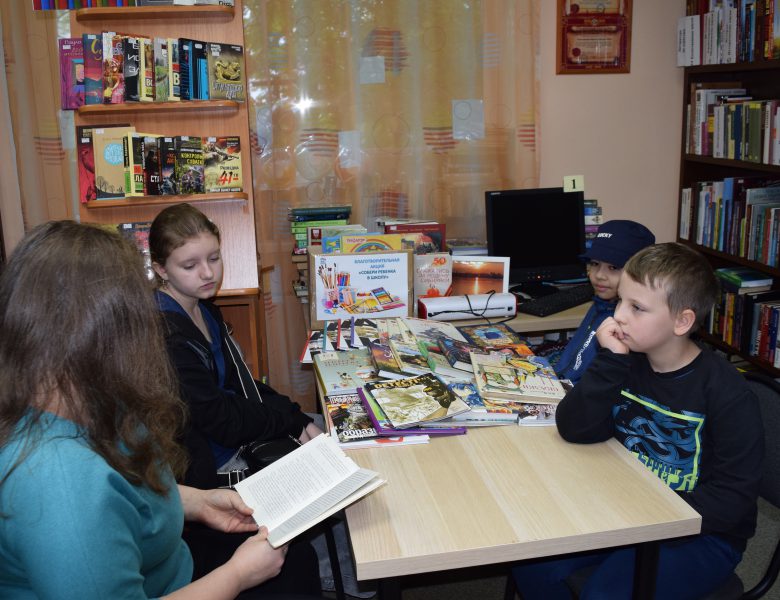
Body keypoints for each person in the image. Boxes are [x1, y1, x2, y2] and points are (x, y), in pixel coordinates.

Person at [0, 220, 321, 599]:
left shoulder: (90, 400)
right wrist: (237, 575)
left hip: (169, 564)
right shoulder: (60, 480)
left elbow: (125, 492)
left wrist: (196, 502)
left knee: (296, 560)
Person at [512, 242, 764, 599]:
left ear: (682, 321)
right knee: (532, 562)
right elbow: (575, 428)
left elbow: (731, 500)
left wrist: (642, 514)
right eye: (621, 301)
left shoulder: (727, 393)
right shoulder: (627, 361)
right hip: (628, 506)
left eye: (637, 308)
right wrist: (611, 361)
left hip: (702, 533)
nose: (619, 316)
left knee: (606, 593)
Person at [149, 204, 323, 489]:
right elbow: (221, 421)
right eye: (190, 266)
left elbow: (241, 384)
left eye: (214, 258)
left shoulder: (205, 309)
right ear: (161, 270)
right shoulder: (166, 334)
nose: (208, 273)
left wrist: (295, 416)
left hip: (233, 433)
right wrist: (291, 423)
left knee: (327, 429)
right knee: (325, 457)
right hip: (211, 464)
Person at [553, 219, 655, 385]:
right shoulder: (601, 303)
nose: (599, 275)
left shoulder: (629, 324)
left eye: (613, 267)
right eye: (595, 264)